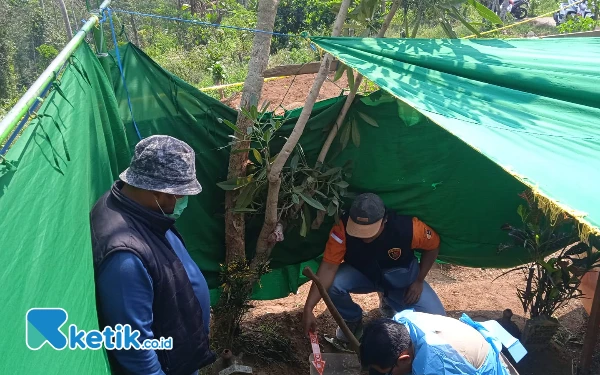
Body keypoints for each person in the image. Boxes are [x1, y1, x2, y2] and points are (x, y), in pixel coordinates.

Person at [90, 135, 216, 375]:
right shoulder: (124, 257)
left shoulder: (135, 208)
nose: (183, 201)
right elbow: (135, 349)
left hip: (179, 353)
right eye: (181, 195)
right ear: (159, 193)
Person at [302, 193, 445, 342]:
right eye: (358, 230)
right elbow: (328, 268)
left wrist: (419, 280)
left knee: (437, 320)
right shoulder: (341, 229)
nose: (364, 237)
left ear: (384, 221)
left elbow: (433, 245)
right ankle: (352, 320)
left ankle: (388, 301)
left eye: (369, 231)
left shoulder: (408, 229)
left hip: (401, 282)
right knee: (333, 284)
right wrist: (309, 307)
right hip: (364, 275)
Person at [360, 311, 511, 375]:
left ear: (404, 359)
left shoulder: (435, 367)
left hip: (484, 368)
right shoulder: (400, 322)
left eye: (387, 373)